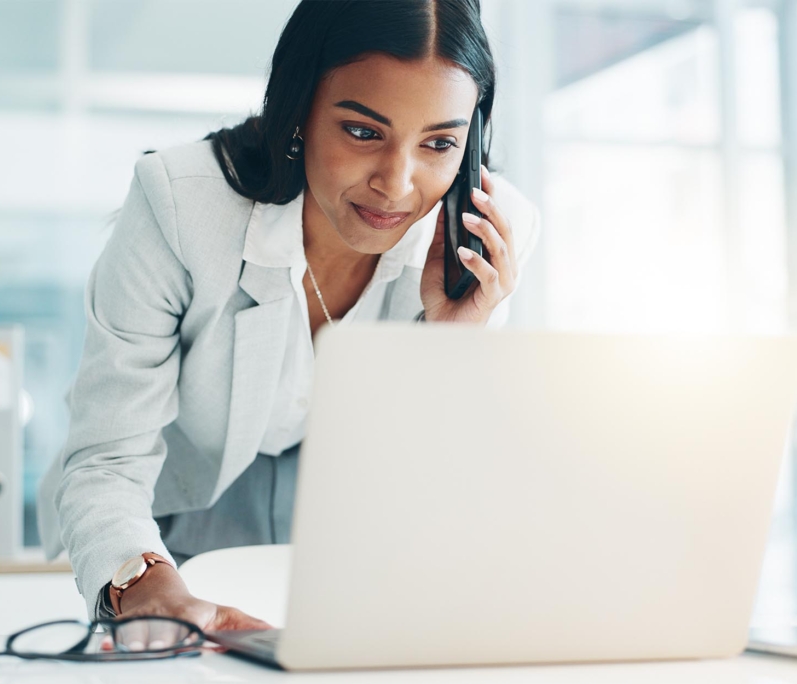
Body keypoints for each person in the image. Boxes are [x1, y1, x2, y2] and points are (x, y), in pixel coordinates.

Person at [37, 0, 541, 634]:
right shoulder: (180, 205)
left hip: (345, 518)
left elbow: (433, 498)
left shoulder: (484, 240)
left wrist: (449, 342)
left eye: (440, 143)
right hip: (173, 506)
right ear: (299, 109)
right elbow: (109, 460)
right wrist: (145, 587)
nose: (397, 183)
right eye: (363, 131)